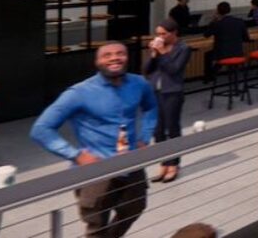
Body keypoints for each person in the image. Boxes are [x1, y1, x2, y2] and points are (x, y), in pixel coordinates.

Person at [30, 42, 158, 238]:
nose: (114, 57)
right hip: (97, 169)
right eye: (107, 55)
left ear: (127, 57)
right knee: (96, 226)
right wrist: (76, 155)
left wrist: (145, 137)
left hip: (131, 162)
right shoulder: (79, 93)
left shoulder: (139, 84)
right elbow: (41, 129)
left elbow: (151, 108)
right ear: (97, 61)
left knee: (134, 208)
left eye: (120, 53)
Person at [145, 19, 190, 184]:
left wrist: (163, 52)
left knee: (172, 128)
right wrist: (153, 54)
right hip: (154, 91)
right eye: (158, 34)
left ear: (174, 33)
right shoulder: (158, 48)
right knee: (157, 131)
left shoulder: (183, 48)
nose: (160, 37)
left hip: (172, 92)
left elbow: (174, 70)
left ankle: (174, 164)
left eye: (164, 34)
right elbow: (147, 70)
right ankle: (163, 163)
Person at [203, 2, 248, 76]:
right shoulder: (239, 21)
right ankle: (228, 71)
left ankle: (209, 76)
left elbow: (206, 35)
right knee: (226, 52)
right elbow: (246, 38)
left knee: (208, 55)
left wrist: (213, 21)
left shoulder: (217, 24)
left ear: (217, 11)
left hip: (222, 55)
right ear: (229, 10)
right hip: (238, 53)